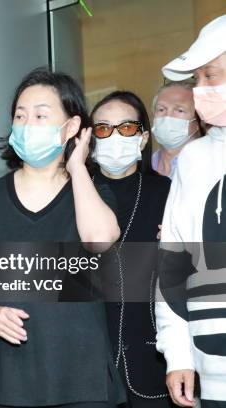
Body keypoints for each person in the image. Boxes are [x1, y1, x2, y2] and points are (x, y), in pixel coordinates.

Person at [0, 67, 125, 408]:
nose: (28, 124)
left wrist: (76, 168)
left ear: (71, 126)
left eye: (41, 115)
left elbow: (100, 240)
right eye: (20, 115)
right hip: (8, 386)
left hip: (83, 384)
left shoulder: (93, 194)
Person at [155, 14, 226, 408]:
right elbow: (173, 265)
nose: (201, 90)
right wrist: (178, 355)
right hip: (212, 377)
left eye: (211, 76)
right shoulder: (195, 159)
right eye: (197, 79)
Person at [90, 90, 173, 407]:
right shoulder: (71, 195)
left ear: (142, 138)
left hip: (152, 359)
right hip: (86, 363)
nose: (113, 137)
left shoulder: (166, 193)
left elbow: (201, 277)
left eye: (125, 128)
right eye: (102, 128)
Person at [151, 82, 202, 178]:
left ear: (198, 122)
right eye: (161, 109)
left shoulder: (208, 165)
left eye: (179, 110)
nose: (167, 116)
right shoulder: (146, 165)